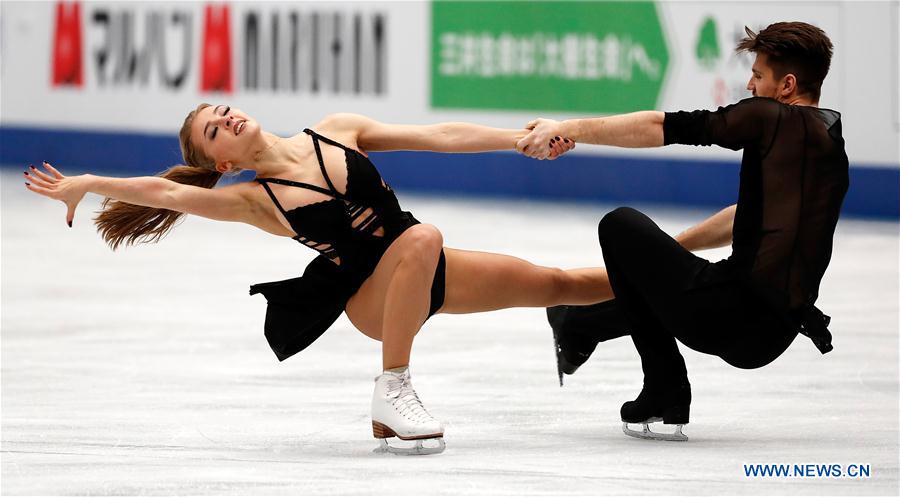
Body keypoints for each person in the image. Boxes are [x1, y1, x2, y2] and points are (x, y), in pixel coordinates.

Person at [24, 106, 612, 455]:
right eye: (212, 130)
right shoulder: (256, 199)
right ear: (223, 164)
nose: (224, 116)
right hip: (367, 296)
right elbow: (168, 193)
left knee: (561, 282)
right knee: (425, 235)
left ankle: (656, 287)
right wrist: (89, 181)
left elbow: (438, 136)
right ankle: (394, 386)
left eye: (219, 109)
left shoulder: (336, 130)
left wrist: (517, 139)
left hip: (421, 267)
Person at [516, 21, 847, 441]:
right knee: (654, 261)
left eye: (759, 75)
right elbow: (748, 216)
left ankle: (664, 389)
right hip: (774, 336)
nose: (749, 84)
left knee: (619, 225)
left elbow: (662, 127)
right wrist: (665, 252)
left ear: (787, 85)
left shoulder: (770, 117)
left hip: (726, 315)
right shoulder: (829, 143)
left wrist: (569, 128)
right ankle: (583, 326)